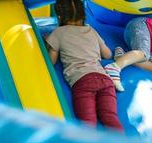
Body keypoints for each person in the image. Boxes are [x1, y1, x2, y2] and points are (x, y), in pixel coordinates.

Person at [46, 0, 124, 133]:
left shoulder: (58, 33)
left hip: (83, 81)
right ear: (83, 15)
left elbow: (51, 61)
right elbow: (107, 54)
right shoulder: (91, 30)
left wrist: (49, 43)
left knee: (87, 123)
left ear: (59, 17)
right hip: (105, 80)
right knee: (110, 118)